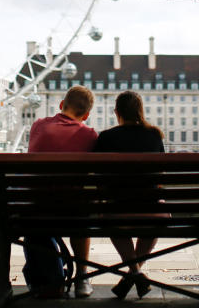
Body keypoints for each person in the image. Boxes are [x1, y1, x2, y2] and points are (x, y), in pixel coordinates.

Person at [27, 85, 98, 298]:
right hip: (73, 214)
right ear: (86, 115)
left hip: (36, 213)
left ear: (61, 105)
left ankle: (50, 277)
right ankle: (82, 277)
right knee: (81, 210)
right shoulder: (89, 135)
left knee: (40, 212)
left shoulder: (38, 126)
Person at [93, 90, 165, 299]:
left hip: (117, 208)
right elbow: (160, 174)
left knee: (114, 221)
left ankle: (134, 273)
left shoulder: (106, 137)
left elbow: (98, 177)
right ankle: (136, 273)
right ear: (140, 111)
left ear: (117, 112)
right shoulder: (154, 135)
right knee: (152, 224)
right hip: (151, 209)